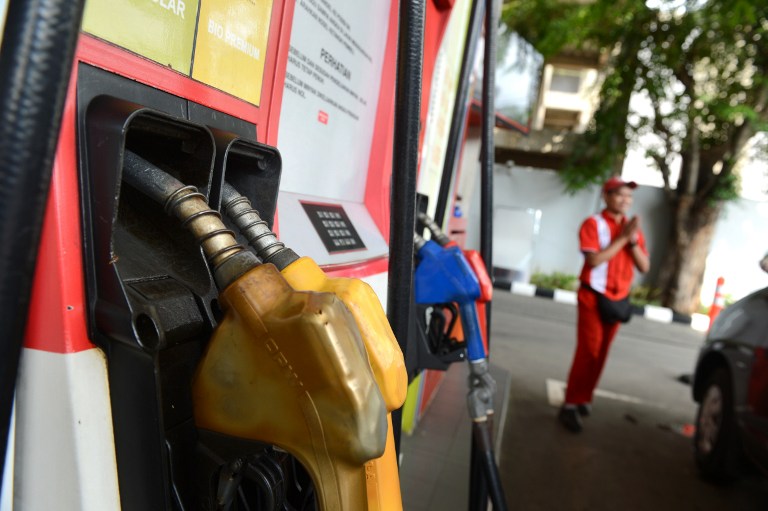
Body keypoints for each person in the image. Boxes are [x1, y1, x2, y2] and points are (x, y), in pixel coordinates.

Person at [558, 177, 650, 433]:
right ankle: (569, 405)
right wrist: (622, 239)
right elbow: (595, 261)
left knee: (602, 354)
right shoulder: (593, 224)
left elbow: (644, 266)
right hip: (593, 295)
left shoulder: (633, 230)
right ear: (606, 196)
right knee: (588, 351)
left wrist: (631, 241)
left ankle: (583, 397)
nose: (625, 200)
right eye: (619, 195)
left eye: (629, 197)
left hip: (618, 298)